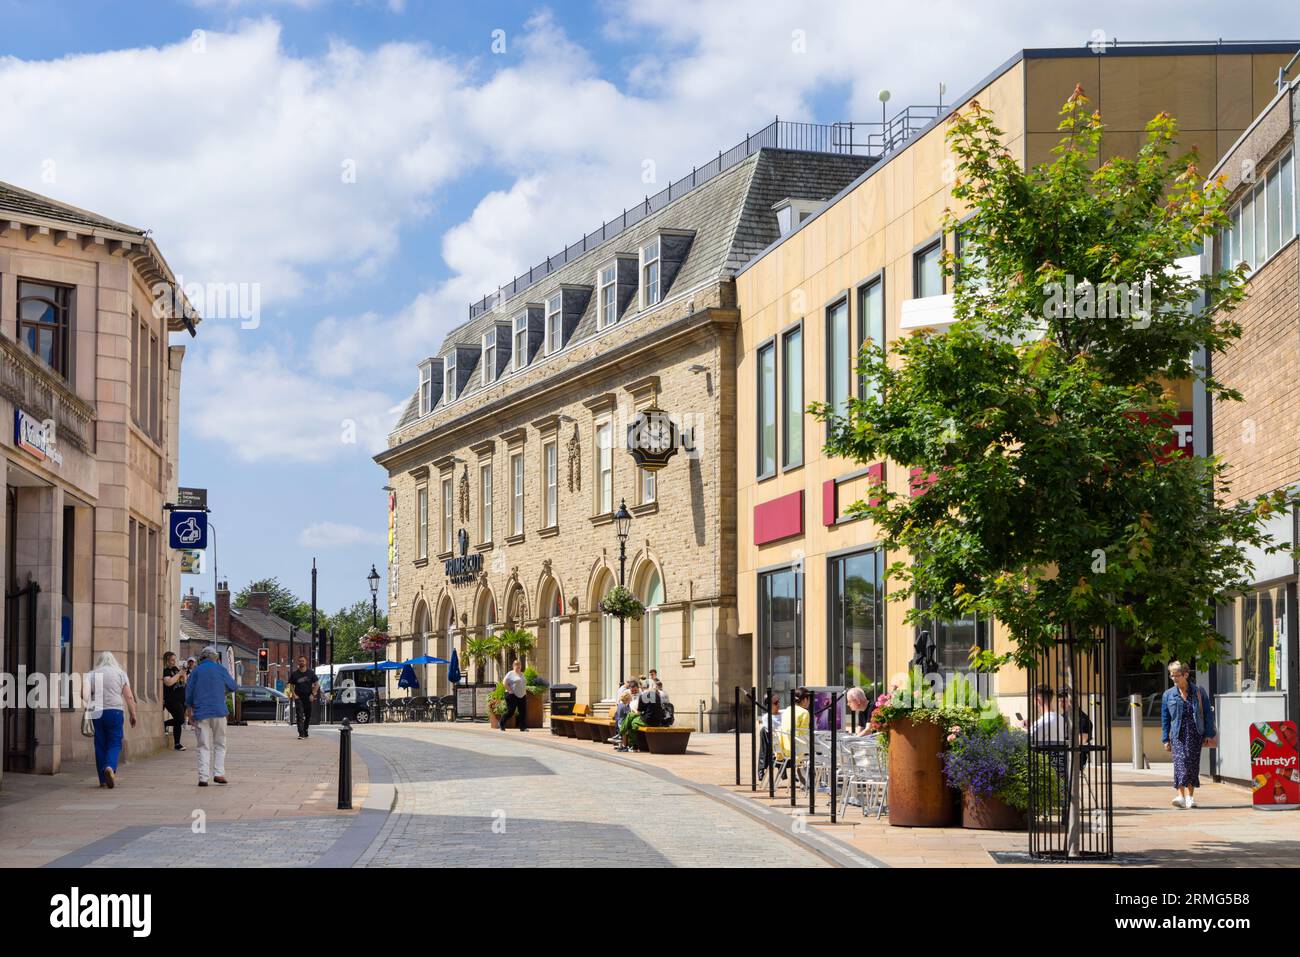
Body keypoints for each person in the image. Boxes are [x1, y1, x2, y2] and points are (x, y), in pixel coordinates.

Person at [1161, 661, 1217, 809]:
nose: (1174, 679)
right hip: (1177, 734)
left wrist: (1208, 734)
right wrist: (1165, 739)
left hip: (1195, 733)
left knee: (1192, 764)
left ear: (1185, 675)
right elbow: (1165, 718)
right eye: (1171, 675)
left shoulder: (1198, 692)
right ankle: (1180, 796)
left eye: (1177, 675)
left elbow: (1207, 713)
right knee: (1180, 763)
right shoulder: (1168, 695)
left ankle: (1190, 797)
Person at [83, 651, 138, 788]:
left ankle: (102, 779)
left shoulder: (91, 674)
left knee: (100, 744)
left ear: (99, 661)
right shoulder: (120, 673)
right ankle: (109, 767)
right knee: (114, 743)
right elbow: (129, 696)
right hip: (115, 711)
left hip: (97, 712)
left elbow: (84, 694)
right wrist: (133, 714)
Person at [185, 645, 237, 787]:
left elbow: (189, 694)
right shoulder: (220, 669)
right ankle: (219, 773)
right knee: (220, 743)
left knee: (203, 745)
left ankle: (203, 777)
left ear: (201, 658)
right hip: (219, 711)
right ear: (215, 658)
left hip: (201, 712)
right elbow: (233, 686)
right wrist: (222, 691)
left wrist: (190, 712)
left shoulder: (196, 671)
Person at [286, 655, 319, 739]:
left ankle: (305, 730)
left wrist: (313, 694)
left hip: (308, 697)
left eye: (303, 661)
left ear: (306, 662)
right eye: (300, 661)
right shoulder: (295, 674)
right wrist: (294, 695)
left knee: (308, 715)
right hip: (298, 697)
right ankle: (301, 733)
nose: (301, 662)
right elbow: (291, 685)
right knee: (299, 715)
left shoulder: (310, 673)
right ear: (298, 662)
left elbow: (317, 684)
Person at [776, 687, 812, 762]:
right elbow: (804, 735)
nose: (809, 702)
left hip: (784, 749)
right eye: (809, 700)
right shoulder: (804, 713)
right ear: (805, 700)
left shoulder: (787, 709)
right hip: (798, 751)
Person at [161, 652, 187, 751]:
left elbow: (183, 682)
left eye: (174, 660)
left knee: (178, 721)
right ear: (166, 661)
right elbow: (168, 682)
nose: (173, 662)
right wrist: (179, 674)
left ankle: (177, 743)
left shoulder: (176, 669)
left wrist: (183, 674)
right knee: (180, 719)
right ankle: (165, 724)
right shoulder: (165, 671)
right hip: (172, 700)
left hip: (181, 699)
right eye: (172, 660)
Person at [757, 693, 783, 780]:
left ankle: (761, 768)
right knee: (763, 732)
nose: (778, 704)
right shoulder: (766, 717)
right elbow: (771, 732)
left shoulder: (785, 713)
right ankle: (761, 769)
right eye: (775, 703)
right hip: (776, 744)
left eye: (779, 701)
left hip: (787, 742)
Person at [499, 659, 528, 731]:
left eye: (519, 665)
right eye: (516, 665)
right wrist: (509, 690)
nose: (518, 666)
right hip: (512, 695)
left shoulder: (522, 674)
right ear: (513, 666)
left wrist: (525, 692)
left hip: (522, 695)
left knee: (523, 712)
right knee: (511, 712)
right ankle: (502, 722)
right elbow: (504, 683)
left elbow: (524, 684)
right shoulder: (510, 673)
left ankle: (522, 727)